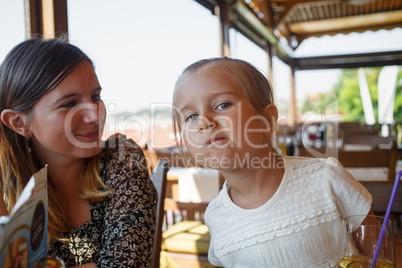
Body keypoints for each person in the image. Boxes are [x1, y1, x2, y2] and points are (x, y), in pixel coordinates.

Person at [172, 57, 402, 267]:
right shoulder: (215, 216)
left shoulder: (325, 178)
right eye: (191, 116)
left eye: (222, 105)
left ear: (268, 120)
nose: (204, 122)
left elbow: (384, 255)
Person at [0, 37, 158, 267]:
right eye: (69, 104)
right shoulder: (9, 188)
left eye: (95, 97)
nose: (95, 115)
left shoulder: (121, 158)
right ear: (18, 122)